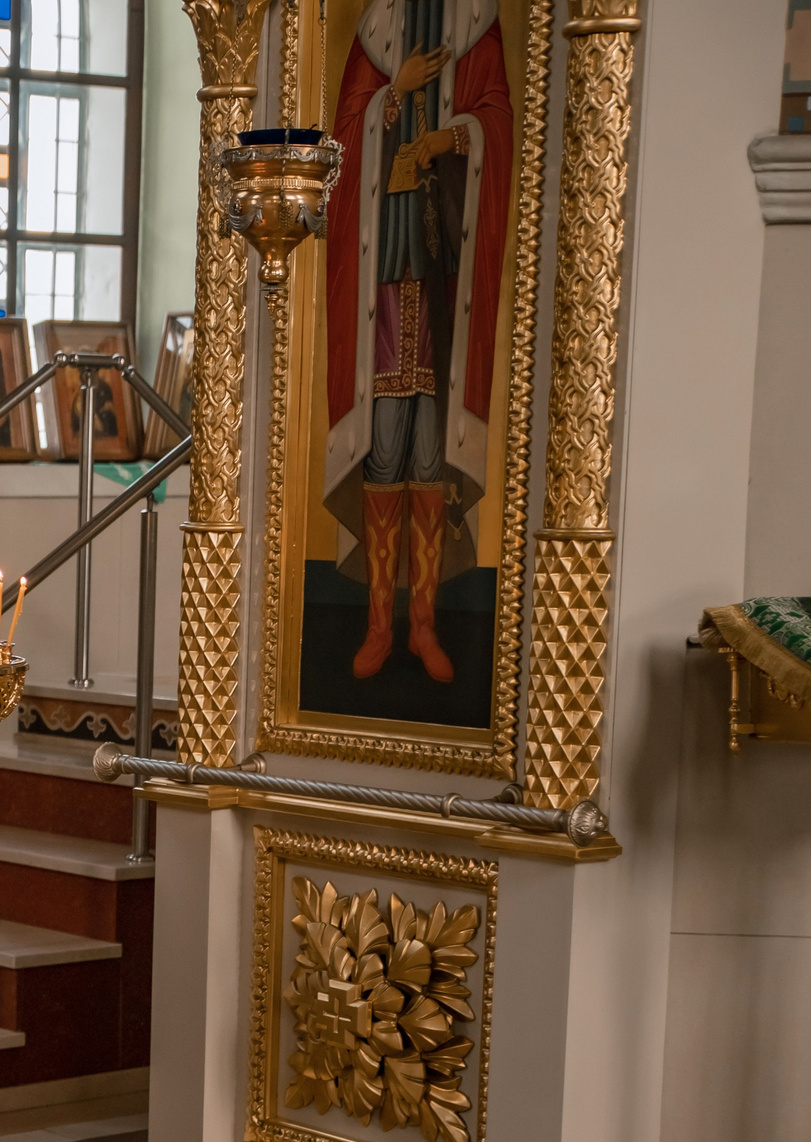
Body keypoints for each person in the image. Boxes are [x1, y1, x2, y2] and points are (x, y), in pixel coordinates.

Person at [324, 0, 512, 686]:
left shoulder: (476, 23)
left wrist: (451, 138)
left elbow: (500, 125)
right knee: (383, 452)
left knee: (430, 454)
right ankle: (380, 626)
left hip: (443, 284)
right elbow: (341, 146)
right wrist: (394, 95)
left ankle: (423, 625)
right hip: (382, 278)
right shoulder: (375, 33)